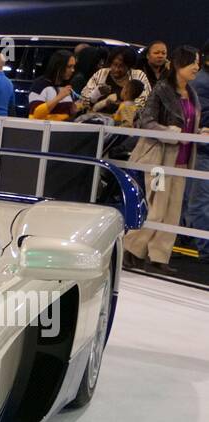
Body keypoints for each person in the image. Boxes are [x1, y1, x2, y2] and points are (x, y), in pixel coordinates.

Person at [124, 46, 204, 271]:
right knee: (156, 208)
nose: (197, 66)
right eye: (192, 62)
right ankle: (132, 248)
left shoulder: (192, 93)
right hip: (159, 160)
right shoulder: (161, 89)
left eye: (197, 61)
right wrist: (168, 132)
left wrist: (199, 133)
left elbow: (187, 127)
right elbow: (145, 122)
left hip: (182, 161)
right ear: (179, 64)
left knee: (172, 212)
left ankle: (159, 255)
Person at [186, 41, 209, 259]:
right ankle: (205, 247)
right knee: (200, 199)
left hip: (202, 148)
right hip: (203, 148)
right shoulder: (202, 82)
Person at [80, 50, 150, 115]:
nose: (116, 69)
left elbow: (145, 101)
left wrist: (120, 106)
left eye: (121, 66)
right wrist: (96, 93)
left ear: (129, 66)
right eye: (114, 64)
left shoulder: (138, 75)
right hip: (97, 118)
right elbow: (84, 99)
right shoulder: (102, 73)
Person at [29, 50, 78, 120]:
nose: (73, 70)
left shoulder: (66, 85)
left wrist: (74, 110)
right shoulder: (40, 85)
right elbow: (36, 114)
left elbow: (66, 115)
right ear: (58, 66)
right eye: (69, 66)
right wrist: (59, 97)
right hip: (43, 130)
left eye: (73, 66)